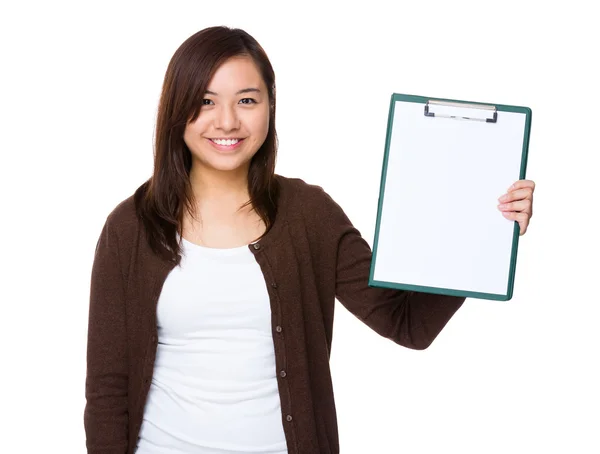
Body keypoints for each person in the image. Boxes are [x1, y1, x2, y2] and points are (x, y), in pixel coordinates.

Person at [83, 26, 536, 454]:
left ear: (270, 107)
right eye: (205, 101)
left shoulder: (309, 214)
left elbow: (407, 324)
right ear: (176, 109)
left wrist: (482, 228)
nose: (226, 121)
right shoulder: (131, 226)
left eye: (246, 100)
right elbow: (107, 389)